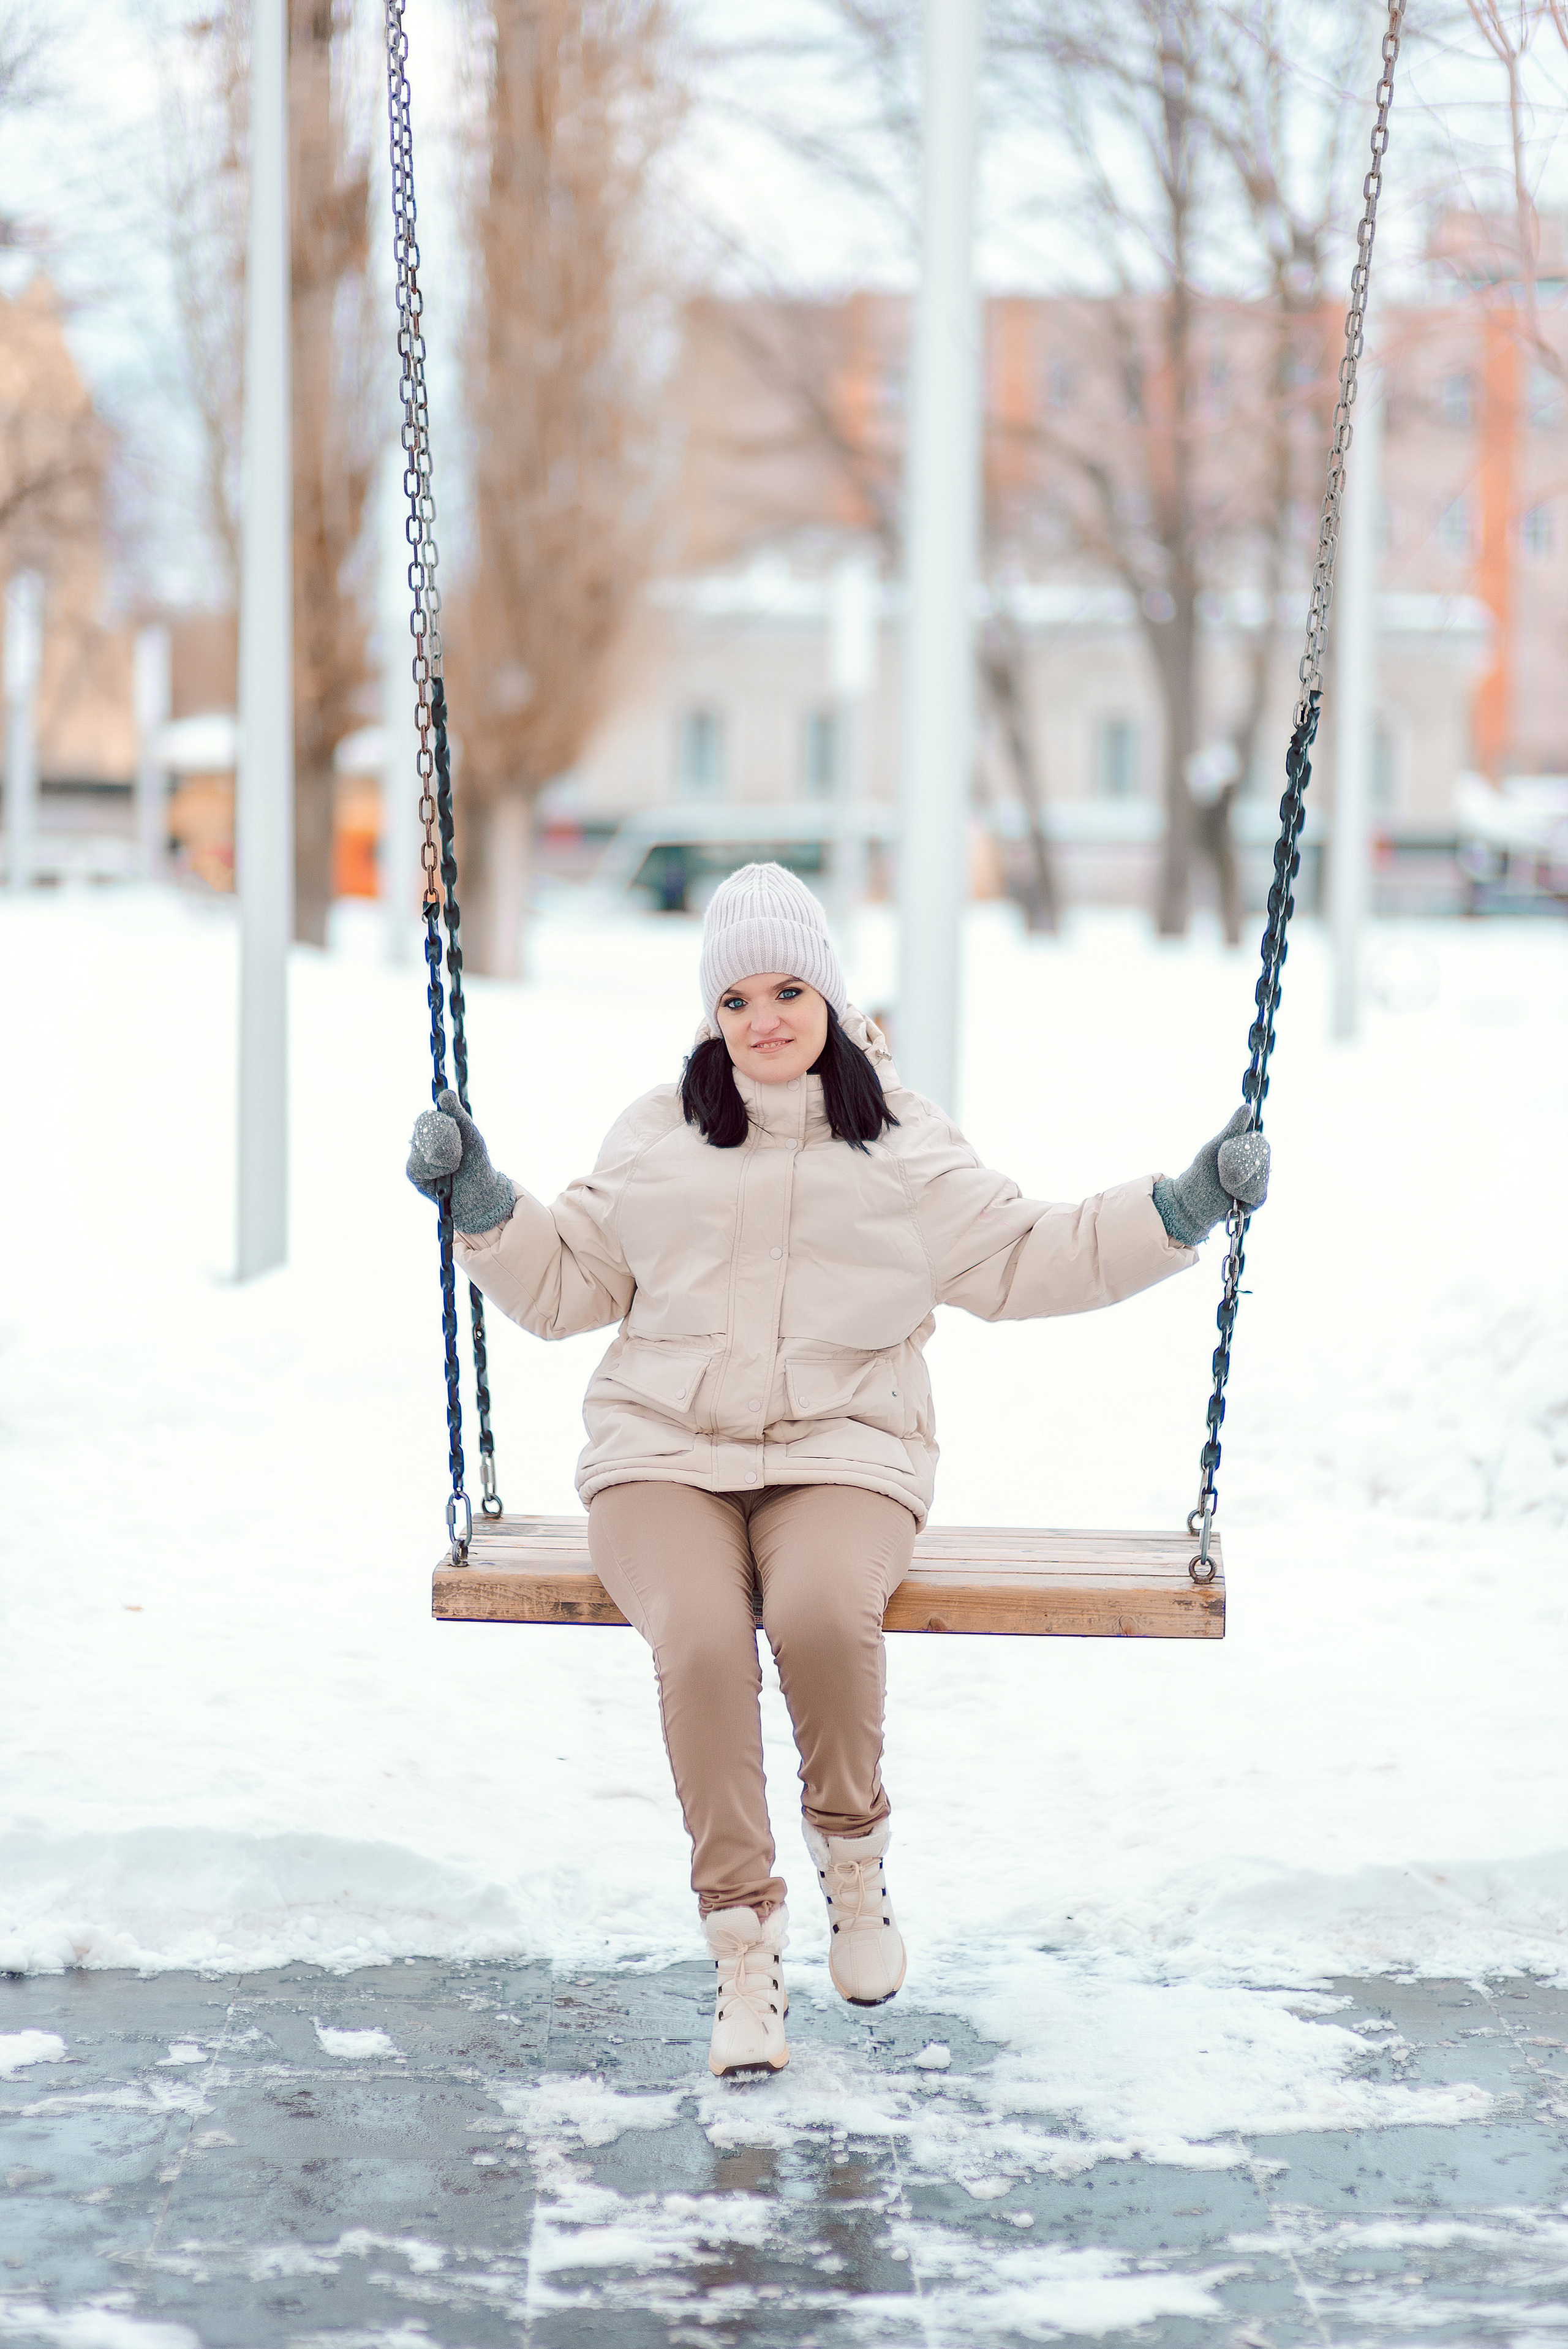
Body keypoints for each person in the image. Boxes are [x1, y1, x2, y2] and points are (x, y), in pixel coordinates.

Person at [405, 863, 1268, 2080]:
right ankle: (743, 1947)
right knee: (700, 1636)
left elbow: (1030, 1257)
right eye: (737, 998)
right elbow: (566, 1286)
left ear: (829, 995)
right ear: (710, 1013)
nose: (763, 1019)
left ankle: (850, 1863)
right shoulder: (658, 1134)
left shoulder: (899, 1144)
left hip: (843, 1451)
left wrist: (1177, 1210)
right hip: (662, 1454)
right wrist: (486, 1207)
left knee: (816, 1608)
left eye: (787, 989)